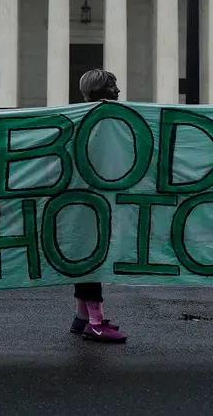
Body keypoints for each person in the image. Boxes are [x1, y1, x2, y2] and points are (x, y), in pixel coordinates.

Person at [68, 69, 126, 343]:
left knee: (87, 259)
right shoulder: (97, 118)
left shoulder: (86, 116)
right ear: (98, 90)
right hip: (90, 200)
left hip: (85, 200)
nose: (118, 91)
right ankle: (95, 321)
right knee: (92, 259)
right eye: (112, 86)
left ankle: (82, 317)